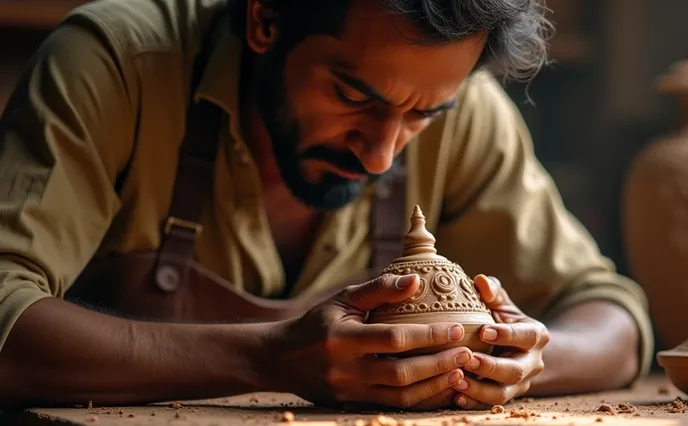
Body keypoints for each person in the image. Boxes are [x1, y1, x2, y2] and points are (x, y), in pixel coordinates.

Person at [0, 0, 653, 411]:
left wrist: (522, 360)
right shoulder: (117, 65)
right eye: (352, 96)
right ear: (266, 19)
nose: (380, 156)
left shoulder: (464, 113)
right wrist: (267, 357)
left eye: (423, 116)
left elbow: (612, 316)